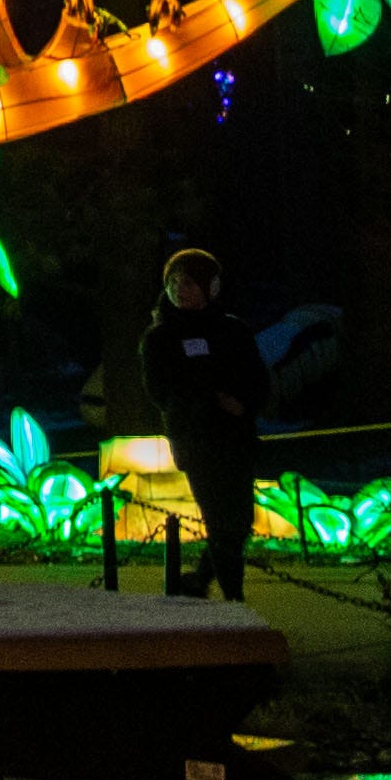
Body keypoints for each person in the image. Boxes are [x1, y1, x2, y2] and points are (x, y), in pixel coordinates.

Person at [142, 248, 270, 601]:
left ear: (211, 287)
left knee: (241, 520)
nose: (179, 289)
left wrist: (242, 404)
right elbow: (160, 390)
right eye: (173, 282)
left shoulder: (233, 330)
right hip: (196, 440)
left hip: (237, 439)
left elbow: (259, 379)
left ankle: (199, 579)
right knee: (219, 518)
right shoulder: (160, 337)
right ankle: (234, 599)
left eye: (189, 282)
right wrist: (208, 400)